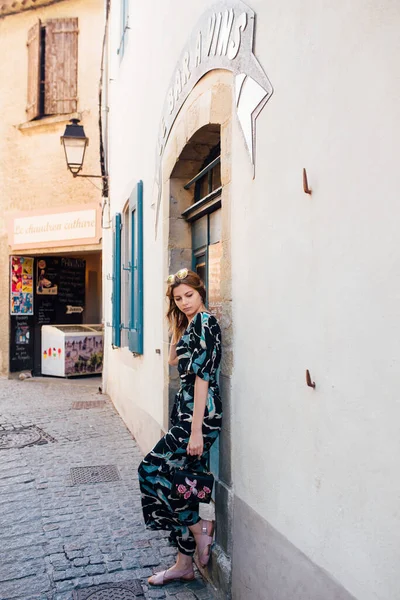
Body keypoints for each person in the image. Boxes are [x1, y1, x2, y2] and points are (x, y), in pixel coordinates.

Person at [138, 268, 222, 586]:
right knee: (183, 484)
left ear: (201, 292)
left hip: (199, 416)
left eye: (190, 295)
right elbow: (173, 359)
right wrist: (177, 320)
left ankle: (201, 529)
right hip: (186, 413)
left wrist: (197, 429)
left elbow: (203, 377)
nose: (185, 302)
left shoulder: (207, 322)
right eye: (178, 298)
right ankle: (183, 564)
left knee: (151, 471)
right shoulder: (190, 323)